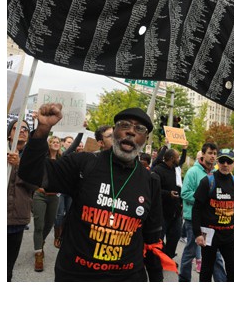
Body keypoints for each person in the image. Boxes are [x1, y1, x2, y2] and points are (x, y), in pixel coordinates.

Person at [19, 103, 175, 281]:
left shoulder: (150, 181)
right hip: (76, 275)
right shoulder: (83, 163)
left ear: (145, 140)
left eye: (139, 129)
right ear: (114, 132)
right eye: (124, 125)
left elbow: (152, 239)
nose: (131, 132)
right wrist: (42, 130)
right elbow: (31, 174)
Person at [192, 149, 234, 282]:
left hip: (229, 235)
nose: (225, 164)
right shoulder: (207, 181)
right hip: (210, 235)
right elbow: (196, 208)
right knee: (206, 271)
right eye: (222, 161)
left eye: (229, 161)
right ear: (217, 162)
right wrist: (197, 233)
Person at [178, 143, 226, 282]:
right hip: (193, 218)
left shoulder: (216, 173)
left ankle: (221, 280)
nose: (212, 156)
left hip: (210, 220)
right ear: (203, 154)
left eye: (215, 153)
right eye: (210, 153)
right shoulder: (193, 172)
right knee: (191, 252)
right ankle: (184, 279)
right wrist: (203, 200)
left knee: (215, 253)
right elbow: (185, 193)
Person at [7, 119, 37, 281]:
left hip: (16, 220)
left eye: (26, 128)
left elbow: (35, 185)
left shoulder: (31, 158)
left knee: (7, 267)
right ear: (9, 134)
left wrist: (19, 165)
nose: (23, 130)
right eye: (17, 128)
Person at [31, 135, 62, 271]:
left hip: (54, 196)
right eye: (53, 142)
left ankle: (40, 242)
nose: (55, 144)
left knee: (49, 225)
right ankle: (38, 254)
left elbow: (73, 146)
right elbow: (39, 141)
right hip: (40, 195)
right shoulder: (43, 157)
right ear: (49, 144)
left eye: (57, 142)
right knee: (39, 225)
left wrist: (81, 131)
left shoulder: (62, 159)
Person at [151, 146, 185, 261]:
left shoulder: (176, 170)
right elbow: (153, 190)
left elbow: (179, 187)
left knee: (175, 237)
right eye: (177, 157)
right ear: (171, 158)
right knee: (159, 239)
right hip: (162, 212)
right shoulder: (158, 170)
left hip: (176, 212)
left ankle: (167, 258)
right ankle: (155, 260)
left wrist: (180, 201)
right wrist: (168, 194)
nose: (179, 159)